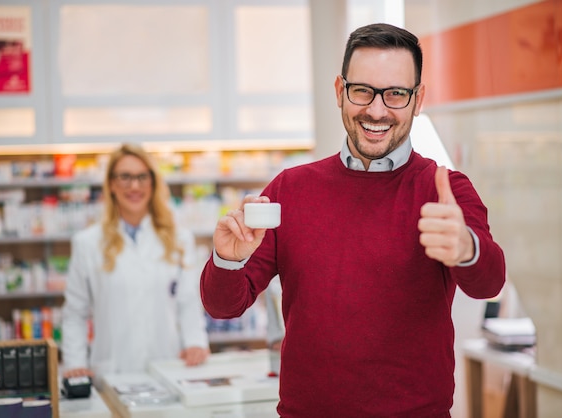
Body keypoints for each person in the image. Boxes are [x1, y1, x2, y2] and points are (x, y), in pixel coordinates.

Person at [200, 23, 505, 417]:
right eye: (363, 91)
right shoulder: (289, 189)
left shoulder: (445, 189)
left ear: (418, 99)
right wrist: (227, 259)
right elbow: (223, 306)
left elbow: (490, 282)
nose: (377, 111)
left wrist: (467, 248)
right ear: (340, 91)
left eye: (396, 94)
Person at [62, 143, 210, 382]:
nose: (134, 186)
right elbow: (75, 313)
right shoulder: (87, 243)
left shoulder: (179, 238)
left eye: (142, 177)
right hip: (112, 373)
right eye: (125, 177)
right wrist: (75, 363)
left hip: (168, 368)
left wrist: (195, 343)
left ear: (153, 183)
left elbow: (188, 302)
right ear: (111, 184)